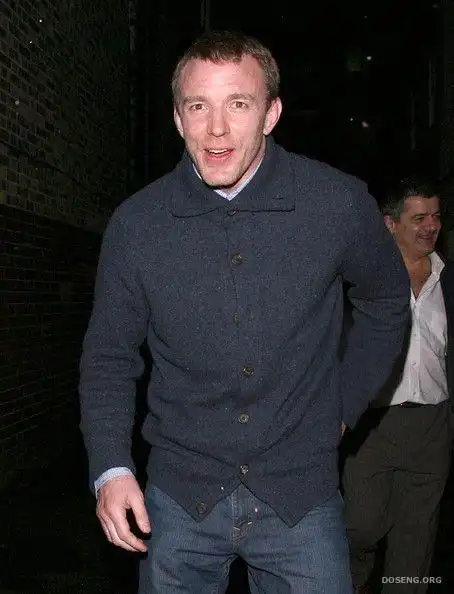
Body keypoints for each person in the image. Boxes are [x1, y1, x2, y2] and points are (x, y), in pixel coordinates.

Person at [79, 30, 409, 594]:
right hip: (179, 497)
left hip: (300, 497)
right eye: (197, 106)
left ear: (271, 113)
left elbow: (386, 300)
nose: (217, 129)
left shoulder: (337, 203)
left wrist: (344, 404)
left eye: (238, 104)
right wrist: (111, 468)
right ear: (178, 118)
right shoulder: (138, 225)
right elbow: (109, 356)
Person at [342, 177, 454, 593]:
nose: (431, 226)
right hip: (372, 427)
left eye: (436, 216)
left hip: (432, 425)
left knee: (416, 539)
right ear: (390, 224)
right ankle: (350, 575)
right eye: (419, 218)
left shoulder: (448, 280)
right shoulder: (360, 283)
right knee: (360, 526)